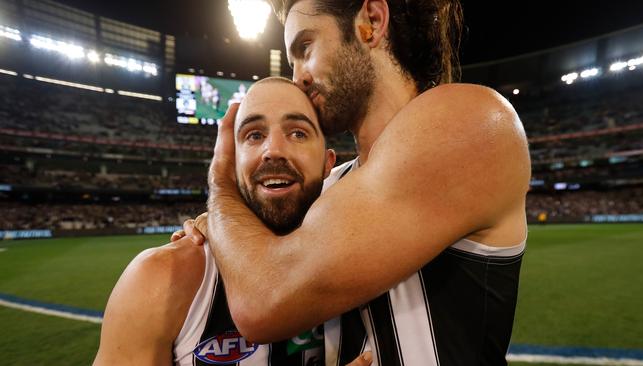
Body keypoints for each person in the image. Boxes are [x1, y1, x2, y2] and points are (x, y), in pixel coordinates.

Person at [184, 0, 531, 365]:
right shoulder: (335, 186)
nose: (297, 77)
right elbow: (255, 248)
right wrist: (213, 227)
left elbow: (262, 301)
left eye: (306, 48)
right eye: (292, 62)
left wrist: (221, 188)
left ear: (371, 21)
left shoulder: (472, 120)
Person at [93, 77, 371, 366]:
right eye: (254, 135)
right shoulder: (158, 280)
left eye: (298, 133)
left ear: (328, 163)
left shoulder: (359, 256)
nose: (273, 150)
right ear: (232, 161)